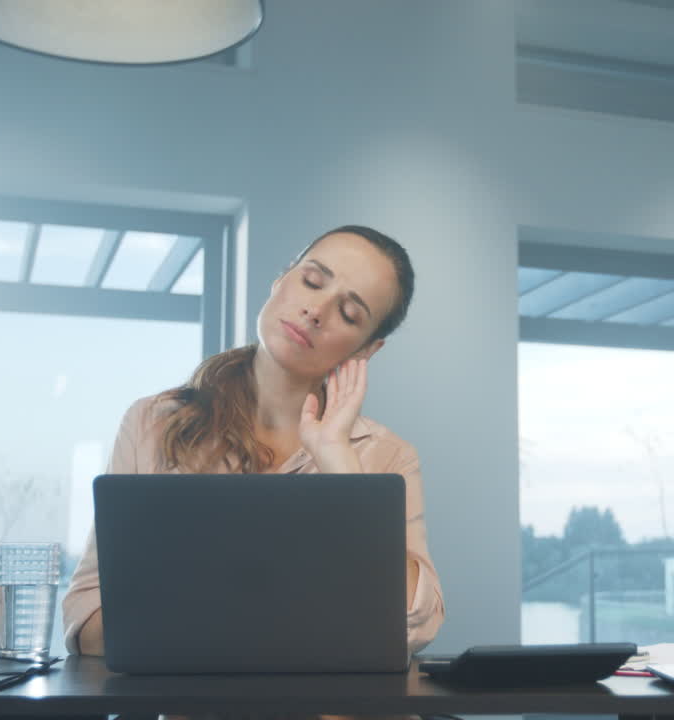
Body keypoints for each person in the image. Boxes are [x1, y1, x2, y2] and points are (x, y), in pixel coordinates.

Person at [61, 225, 446, 658]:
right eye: (312, 281)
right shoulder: (151, 422)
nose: (315, 310)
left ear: (366, 350)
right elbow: (87, 619)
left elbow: (416, 625)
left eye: (349, 313)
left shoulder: (387, 455)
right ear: (282, 279)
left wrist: (343, 473)